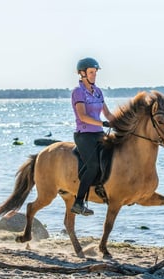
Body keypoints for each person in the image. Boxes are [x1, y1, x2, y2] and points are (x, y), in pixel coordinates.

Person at [71, 57, 115, 216]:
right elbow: (82, 116)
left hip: (98, 133)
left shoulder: (98, 92)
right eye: (91, 72)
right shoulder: (78, 92)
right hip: (84, 135)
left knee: (114, 157)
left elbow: (108, 114)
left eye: (95, 72)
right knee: (93, 165)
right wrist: (102, 123)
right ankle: (78, 202)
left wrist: (121, 125)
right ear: (82, 74)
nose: (94, 75)